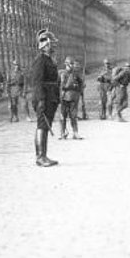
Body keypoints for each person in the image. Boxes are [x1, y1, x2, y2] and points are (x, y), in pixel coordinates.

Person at [30, 29, 61, 166]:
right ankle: (40, 157)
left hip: (50, 96)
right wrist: (40, 100)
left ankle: (43, 155)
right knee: (42, 126)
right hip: (44, 97)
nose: (54, 45)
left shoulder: (48, 59)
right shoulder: (41, 60)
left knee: (45, 126)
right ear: (45, 44)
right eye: (52, 43)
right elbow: (37, 82)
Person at [58, 56, 84, 140]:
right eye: (70, 64)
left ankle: (75, 133)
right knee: (63, 115)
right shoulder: (61, 73)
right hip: (64, 97)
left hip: (73, 98)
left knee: (73, 116)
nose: (72, 65)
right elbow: (58, 85)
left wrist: (78, 91)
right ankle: (62, 132)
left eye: (73, 64)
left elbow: (81, 84)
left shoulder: (76, 74)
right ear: (66, 64)